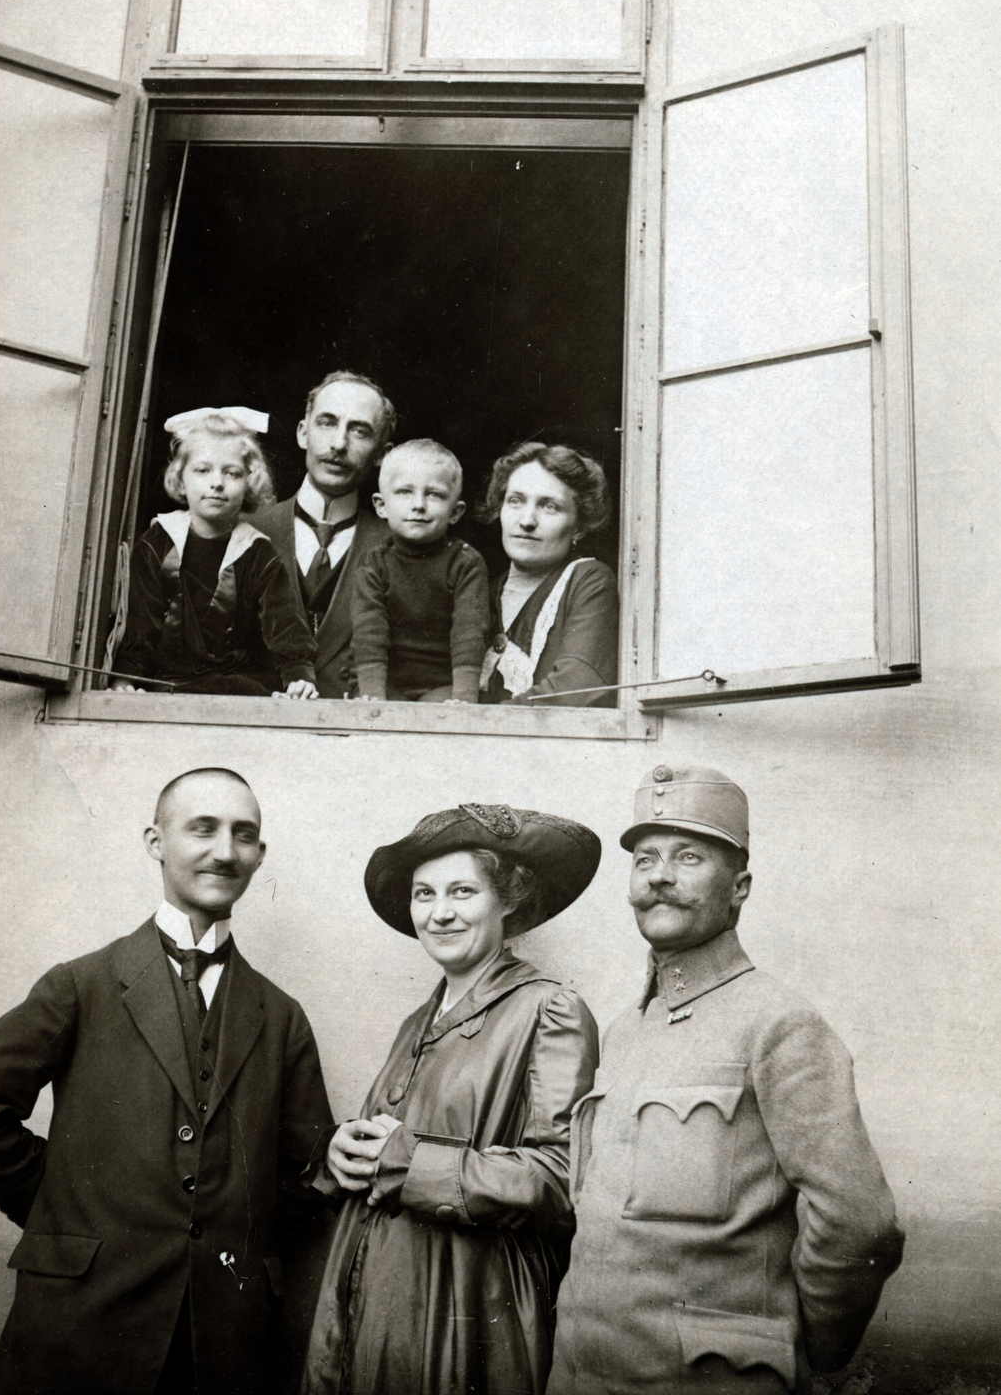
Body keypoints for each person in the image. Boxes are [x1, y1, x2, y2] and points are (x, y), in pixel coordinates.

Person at [0, 767, 334, 1395]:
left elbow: (304, 1175)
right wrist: (72, 1209)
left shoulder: (280, 1016)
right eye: (203, 829)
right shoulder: (80, 984)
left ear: (260, 854)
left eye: (243, 834)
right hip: (81, 1325)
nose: (225, 851)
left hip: (224, 1345)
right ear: (156, 842)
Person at [547, 766, 905, 1395]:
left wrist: (810, 1353)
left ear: (739, 887)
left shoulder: (780, 1024)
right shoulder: (627, 1028)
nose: (659, 875)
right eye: (645, 859)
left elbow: (858, 1223)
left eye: (688, 857)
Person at [302, 803, 601, 1395]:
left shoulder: (549, 1009)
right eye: (423, 894)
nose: (439, 913)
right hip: (378, 1304)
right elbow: (386, 1148)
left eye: (462, 891)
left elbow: (563, 1180)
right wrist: (344, 1155)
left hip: (472, 1304)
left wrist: (407, 1162)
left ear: (509, 898)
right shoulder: (417, 1021)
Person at [111, 408, 318, 697]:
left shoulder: (258, 552)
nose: (217, 482)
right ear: (181, 478)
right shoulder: (158, 541)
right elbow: (140, 623)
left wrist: (298, 675)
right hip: (165, 682)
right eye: (202, 470)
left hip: (234, 684)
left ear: (249, 482)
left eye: (231, 472)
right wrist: (126, 680)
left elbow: (283, 624)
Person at [251, 370, 395, 698]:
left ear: (382, 454)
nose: (338, 444)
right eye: (327, 423)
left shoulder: (395, 546)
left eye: (359, 431)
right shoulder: (249, 530)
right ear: (303, 433)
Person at [478, 441, 618, 708]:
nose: (527, 520)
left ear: (579, 526)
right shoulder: (482, 590)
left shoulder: (588, 581)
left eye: (549, 506)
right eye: (515, 501)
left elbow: (576, 686)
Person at [350, 438, 490, 702]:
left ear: (455, 512)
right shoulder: (373, 563)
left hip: (444, 685)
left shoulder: (466, 563)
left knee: (442, 724)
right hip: (384, 683)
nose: (418, 505)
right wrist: (372, 696)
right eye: (404, 492)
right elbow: (368, 632)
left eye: (434, 494)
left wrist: (464, 698)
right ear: (381, 505)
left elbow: (470, 632)